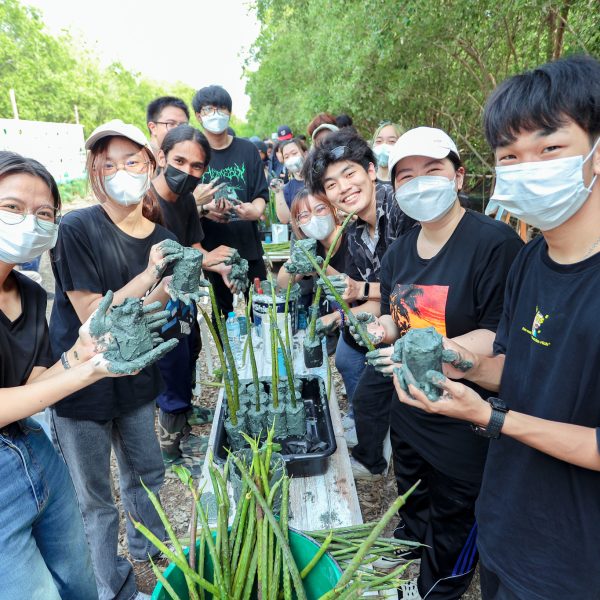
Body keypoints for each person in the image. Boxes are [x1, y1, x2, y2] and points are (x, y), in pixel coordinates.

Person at [392, 55, 600, 600]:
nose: (528, 166)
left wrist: (489, 417)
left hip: (576, 563)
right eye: (510, 156)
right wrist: (462, 361)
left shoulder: (499, 246)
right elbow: (517, 368)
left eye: (549, 148)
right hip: (508, 524)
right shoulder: (532, 261)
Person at [350, 127, 523, 599]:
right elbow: (395, 313)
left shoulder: (495, 244)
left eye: (433, 171)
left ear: (458, 175)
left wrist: (435, 350)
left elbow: (496, 335)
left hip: (461, 420)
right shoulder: (401, 249)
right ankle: (413, 540)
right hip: (407, 411)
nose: (419, 183)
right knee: (415, 494)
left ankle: (437, 588)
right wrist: (380, 330)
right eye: (405, 176)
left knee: (455, 521)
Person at [49, 120, 178, 600]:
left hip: (138, 375)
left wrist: (174, 290)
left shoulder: (161, 235)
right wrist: (150, 277)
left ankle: (154, 553)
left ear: (150, 164)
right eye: (108, 165)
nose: (121, 172)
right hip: (81, 382)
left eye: (131, 161)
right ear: (95, 173)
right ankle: (111, 585)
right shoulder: (76, 228)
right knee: (95, 499)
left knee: (146, 472)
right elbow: (91, 316)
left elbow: (162, 305)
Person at [303, 130, 415, 445]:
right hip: (390, 317)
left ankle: (379, 438)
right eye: (331, 185)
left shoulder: (400, 208)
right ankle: (372, 431)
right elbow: (370, 298)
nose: (344, 189)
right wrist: (340, 316)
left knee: (364, 368)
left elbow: (413, 289)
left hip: (421, 322)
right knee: (348, 354)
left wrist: (360, 291)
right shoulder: (354, 233)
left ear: (369, 170)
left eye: (349, 174)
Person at [151, 124, 236, 473]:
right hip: (158, 299)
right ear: (161, 157)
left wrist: (221, 265)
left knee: (190, 353)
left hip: (184, 294)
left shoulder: (185, 200)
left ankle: (184, 417)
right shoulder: (146, 204)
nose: (187, 172)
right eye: (179, 161)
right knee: (170, 369)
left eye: (197, 166)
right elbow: (161, 263)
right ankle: (171, 450)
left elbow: (196, 248)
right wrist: (209, 259)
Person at [192, 85, 268, 316]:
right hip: (212, 250)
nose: (216, 114)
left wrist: (254, 211)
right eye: (208, 109)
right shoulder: (193, 153)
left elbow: (261, 195)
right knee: (222, 315)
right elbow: (182, 206)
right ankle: (226, 352)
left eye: (222, 109)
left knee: (261, 309)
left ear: (230, 112)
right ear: (198, 115)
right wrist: (204, 209)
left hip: (249, 245)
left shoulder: (247, 149)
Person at [273, 138, 308, 224]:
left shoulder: (319, 179)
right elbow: (285, 219)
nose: (291, 159)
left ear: (305, 154)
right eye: (286, 157)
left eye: (294, 153)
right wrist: (278, 192)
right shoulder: (287, 188)